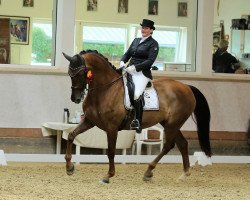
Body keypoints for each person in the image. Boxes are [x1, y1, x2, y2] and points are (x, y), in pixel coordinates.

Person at [119, 19, 159, 133]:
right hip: (129, 70)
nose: (143, 30)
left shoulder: (153, 44)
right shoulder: (136, 40)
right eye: (142, 28)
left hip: (142, 73)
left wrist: (136, 68)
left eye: (146, 28)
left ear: (151, 30)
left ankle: (138, 121)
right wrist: (122, 61)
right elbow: (127, 54)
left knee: (136, 94)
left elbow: (150, 61)